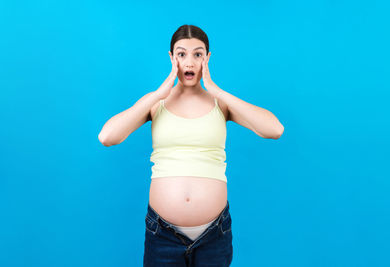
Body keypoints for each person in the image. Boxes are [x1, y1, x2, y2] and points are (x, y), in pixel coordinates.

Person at [98, 24, 284, 266]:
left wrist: (218, 90)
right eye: (181, 54)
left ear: (207, 58)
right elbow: (107, 137)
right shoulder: (156, 103)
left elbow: (274, 129)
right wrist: (158, 93)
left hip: (214, 236)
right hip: (162, 235)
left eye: (198, 54)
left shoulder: (221, 104)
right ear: (171, 57)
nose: (189, 62)